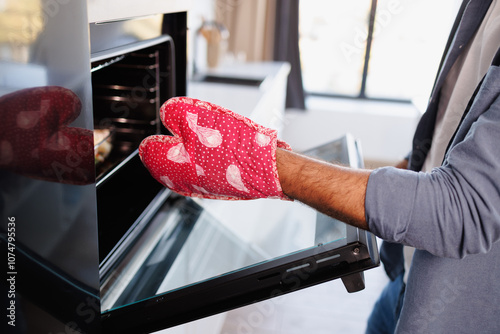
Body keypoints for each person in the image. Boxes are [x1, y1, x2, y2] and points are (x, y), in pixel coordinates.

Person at [139, 0, 500, 332]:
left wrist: (260, 162)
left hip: (454, 308)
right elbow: (453, 119)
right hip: (406, 273)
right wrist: (410, 166)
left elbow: (465, 208)